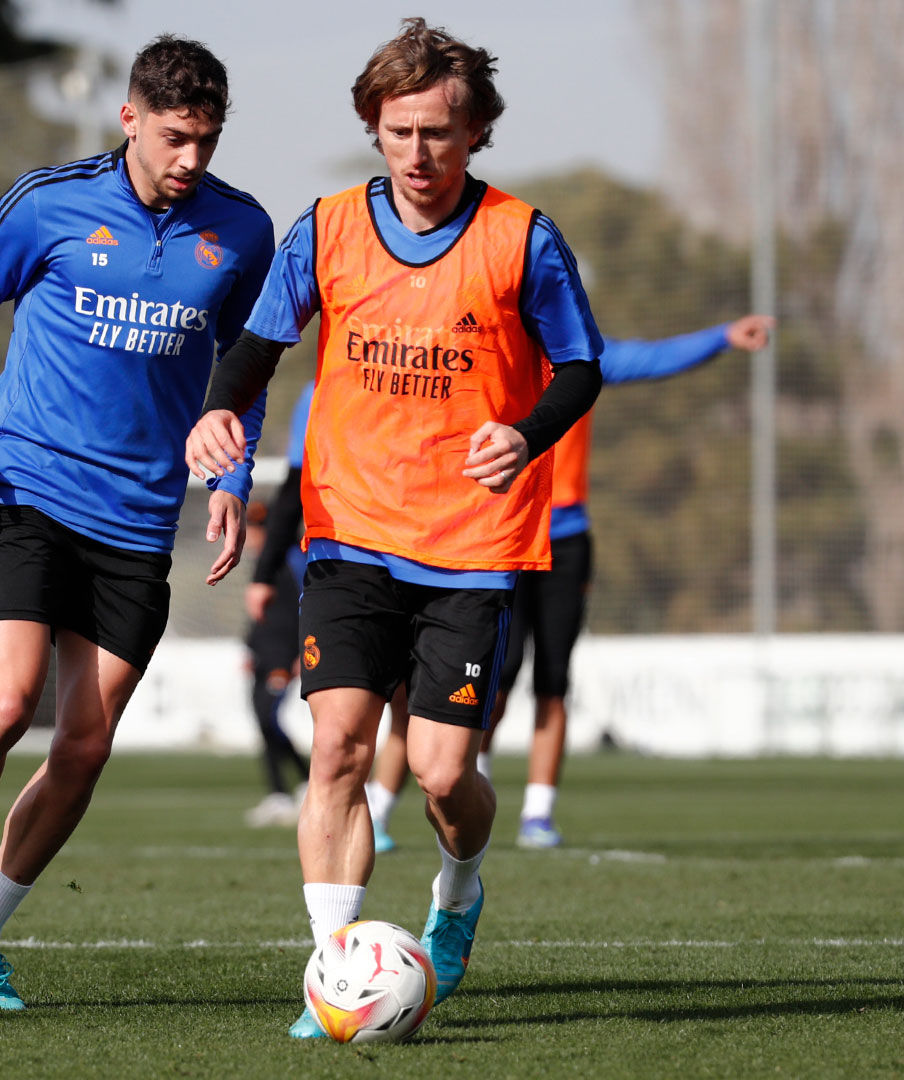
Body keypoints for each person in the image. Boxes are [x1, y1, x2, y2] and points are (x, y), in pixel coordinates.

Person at [186, 18, 603, 1037]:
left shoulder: (522, 238)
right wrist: (218, 428)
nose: (420, 155)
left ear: (477, 134)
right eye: (401, 131)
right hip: (347, 531)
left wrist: (525, 432)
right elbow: (254, 354)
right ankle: (338, 969)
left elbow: (581, 368)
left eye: (441, 133)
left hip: (470, 544)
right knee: (334, 750)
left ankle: (459, 887)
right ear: (375, 126)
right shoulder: (326, 228)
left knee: (442, 773)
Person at [0, 35, 275, 1012]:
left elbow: (245, 364)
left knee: (85, 747)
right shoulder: (50, 202)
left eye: (207, 142)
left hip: (137, 520)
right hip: (28, 491)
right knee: (5, 706)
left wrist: (232, 472)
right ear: (130, 118)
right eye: (175, 137)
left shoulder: (242, 231)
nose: (190, 160)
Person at [361, 316, 776, 851]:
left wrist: (720, 337)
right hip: (499, 534)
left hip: (565, 538)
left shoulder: (583, 359)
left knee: (553, 680)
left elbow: (654, 357)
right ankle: (465, 790)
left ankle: (538, 813)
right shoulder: (487, 353)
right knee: (494, 676)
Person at [241, 382, 315, 827]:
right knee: (261, 723)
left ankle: (301, 783)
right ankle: (277, 793)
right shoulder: (260, 570)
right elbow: (260, 615)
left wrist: (295, 655)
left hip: (284, 653)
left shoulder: (291, 563)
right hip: (263, 652)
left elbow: (301, 607)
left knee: (269, 719)